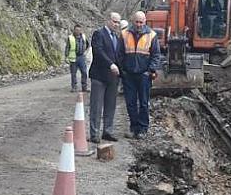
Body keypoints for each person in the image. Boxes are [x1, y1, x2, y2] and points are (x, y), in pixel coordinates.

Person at [119, 11, 161, 139]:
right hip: (129, 75)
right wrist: (123, 71)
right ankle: (134, 127)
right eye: (136, 22)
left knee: (143, 103)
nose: (138, 24)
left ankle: (143, 128)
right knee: (130, 103)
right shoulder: (124, 34)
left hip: (144, 75)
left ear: (145, 21)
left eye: (141, 22)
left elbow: (156, 55)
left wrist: (150, 71)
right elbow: (119, 54)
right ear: (133, 21)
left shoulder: (152, 35)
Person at [88, 12, 123, 143]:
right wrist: (110, 65)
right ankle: (94, 133)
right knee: (96, 106)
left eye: (118, 22)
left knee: (110, 105)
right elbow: (98, 51)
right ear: (108, 21)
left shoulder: (117, 37)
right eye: (114, 21)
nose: (116, 24)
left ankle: (107, 131)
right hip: (99, 76)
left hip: (113, 78)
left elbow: (118, 56)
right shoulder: (99, 34)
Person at [64, 24, 90, 92]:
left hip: (81, 57)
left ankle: (84, 87)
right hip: (73, 58)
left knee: (84, 72)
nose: (78, 31)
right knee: (73, 74)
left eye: (79, 30)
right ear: (74, 30)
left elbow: (87, 45)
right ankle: (74, 87)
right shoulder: (70, 38)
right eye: (76, 30)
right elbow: (67, 47)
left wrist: (85, 52)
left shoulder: (83, 37)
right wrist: (66, 57)